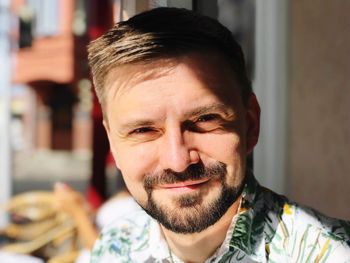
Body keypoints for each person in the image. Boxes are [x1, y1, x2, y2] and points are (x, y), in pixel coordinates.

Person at [87, 7, 350, 263]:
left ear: (250, 124)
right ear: (113, 143)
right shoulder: (115, 245)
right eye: (143, 130)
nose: (177, 161)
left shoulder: (333, 255)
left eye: (205, 120)